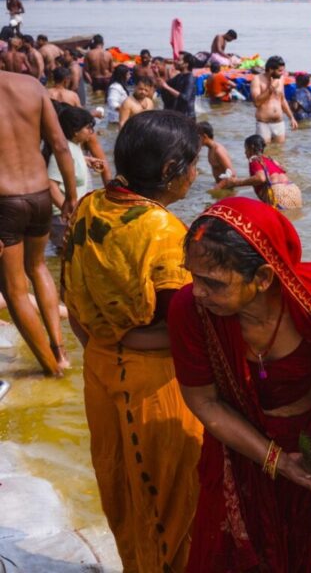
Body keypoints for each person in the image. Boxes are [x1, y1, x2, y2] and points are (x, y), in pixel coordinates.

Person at [169, 196, 311, 571]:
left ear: (264, 277)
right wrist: (279, 461)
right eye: (192, 275)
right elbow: (204, 403)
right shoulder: (190, 310)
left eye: (213, 283)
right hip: (239, 450)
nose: (198, 291)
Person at [60, 111, 204, 571]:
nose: (196, 174)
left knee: (122, 492)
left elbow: (74, 303)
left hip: (100, 371)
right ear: (169, 171)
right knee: (172, 507)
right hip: (158, 388)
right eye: (193, 164)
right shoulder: (165, 232)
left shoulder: (88, 207)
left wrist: (107, 346)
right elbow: (181, 328)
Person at [0, 70, 77, 376]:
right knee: (39, 267)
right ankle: (60, 351)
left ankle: (51, 369)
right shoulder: (31, 85)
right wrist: (71, 194)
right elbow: (60, 145)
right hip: (40, 195)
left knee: (14, 290)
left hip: (4, 202)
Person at [47, 106, 94, 249]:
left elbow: (70, 164)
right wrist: (67, 210)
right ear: (75, 131)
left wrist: (86, 160)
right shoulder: (63, 152)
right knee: (67, 257)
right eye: (88, 128)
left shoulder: (73, 147)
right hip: (63, 218)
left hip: (76, 215)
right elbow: (50, 185)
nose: (91, 132)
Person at [217, 134, 302, 210]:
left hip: (278, 194)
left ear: (252, 148)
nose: (245, 152)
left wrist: (235, 183)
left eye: (246, 149)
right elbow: (283, 170)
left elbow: (261, 178)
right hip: (294, 191)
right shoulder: (271, 160)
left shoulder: (254, 159)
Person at [250, 55, 297, 144]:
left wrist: (291, 117)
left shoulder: (281, 79)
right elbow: (256, 103)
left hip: (279, 123)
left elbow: (282, 100)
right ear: (271, 69)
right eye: (279, 71)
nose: (282, 73)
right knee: (264, 152)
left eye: (283, 70)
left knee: (280, 153)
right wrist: (271, 88)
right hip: (264, 124)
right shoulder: (257, 80)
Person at [159, 52, 197, 119]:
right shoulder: (179, 76)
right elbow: (164, 85)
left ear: (186, 64)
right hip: (178, 114)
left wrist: (167, 88)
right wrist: (157, 73)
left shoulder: (190, 79)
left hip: (188, 117)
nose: (175, 61)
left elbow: (185, 98)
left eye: (178, 60)